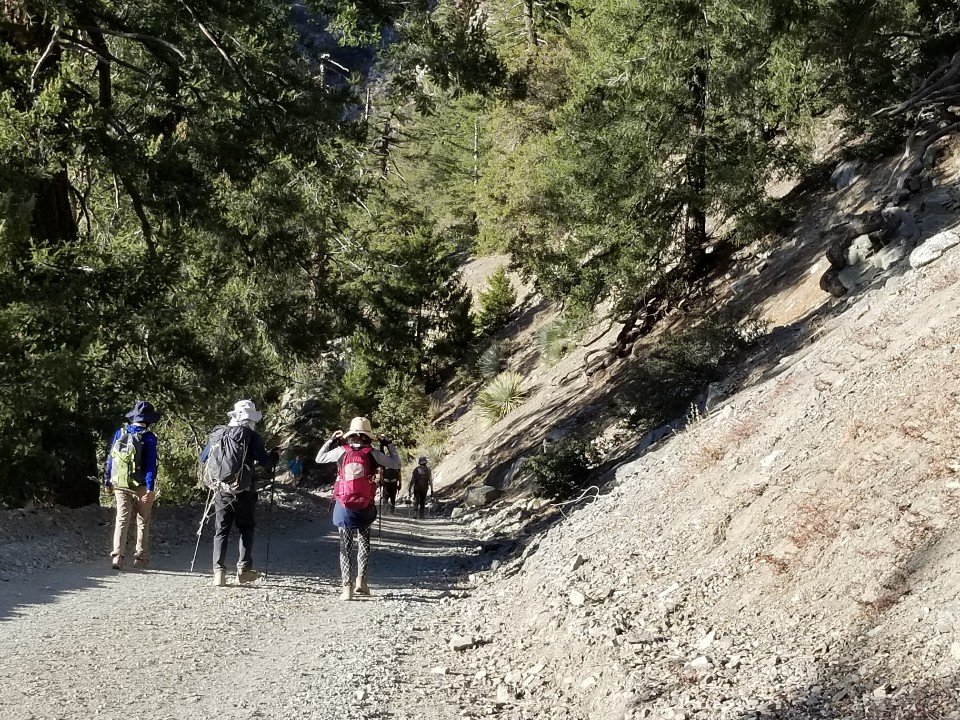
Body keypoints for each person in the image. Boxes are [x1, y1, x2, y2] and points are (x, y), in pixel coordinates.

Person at [315, 417, 400, 600]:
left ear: (351, 434)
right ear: (368, 435)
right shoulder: (373, 453)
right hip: (365, 504)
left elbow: (319, 458)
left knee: (345, 546)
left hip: (343, 504)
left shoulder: (341, 451)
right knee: (364, 542)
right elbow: (396, 463)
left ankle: (347, 588)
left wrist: (331, 440)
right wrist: (388, 444)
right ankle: (361, 581)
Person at [200, 400, 278, 587]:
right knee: (246, 528)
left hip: (221, 489)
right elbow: (266, 463)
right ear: (251, 419)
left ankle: (218, 572)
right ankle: (244, 570)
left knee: (221, 530)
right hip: (245, 490)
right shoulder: (252, 436)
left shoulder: (219, 433)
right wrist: (275, 455)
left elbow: (204, 457)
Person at [105, 400, 161, 570]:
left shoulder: (120, 433)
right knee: (143, 519)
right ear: (149, 420)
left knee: (122, 519)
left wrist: (108, 480)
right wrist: (150, 488)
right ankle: (140, 558)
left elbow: (111, 459)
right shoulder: (149, 437)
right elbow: (150, 465)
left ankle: (118, 556)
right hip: (141, 485)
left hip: (120, 483)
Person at [379, 438, 401, 514]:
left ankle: (385, 511)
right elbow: (399, 474)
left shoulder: (385, 463)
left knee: (386, 496)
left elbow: (381, 471)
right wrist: (400, 484)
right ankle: (391, 511)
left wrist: (381, 481)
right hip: (394, 481)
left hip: (386, 481)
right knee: (392, 496)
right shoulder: (396, 462)